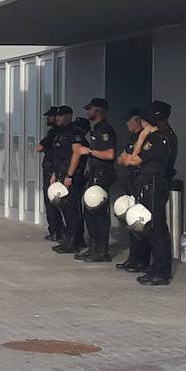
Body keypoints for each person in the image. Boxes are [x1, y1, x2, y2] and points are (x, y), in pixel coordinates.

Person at [119, 106, 176, 285]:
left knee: (155, 229)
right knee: (150, 228)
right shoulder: (158, 137)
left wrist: (143, 137)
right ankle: (154, 266)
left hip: (153, 186)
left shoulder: (157, 139)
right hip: (146, 185)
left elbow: (133, 159)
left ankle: (160, 271)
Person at [73, 98, 117, 263]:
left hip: (102, 174)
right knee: (89, 212)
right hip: (94, 174)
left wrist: (88, 151)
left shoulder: (105, 130)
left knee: (98, 212)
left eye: (90, 109)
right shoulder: (96, 129)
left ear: (98, 110)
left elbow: (109, 154)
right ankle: (93, 247)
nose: (87, 112)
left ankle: (101, 250)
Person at [115, 106, 151, 273]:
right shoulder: (131, 138)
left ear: (138, 121)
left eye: (129, 121)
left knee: (139, 223)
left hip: (141, 184)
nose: (127, 124)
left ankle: (142, 260)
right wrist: (126, 159)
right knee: (130, 221)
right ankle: (133, 258)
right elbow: (121, 158)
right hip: (130, 183)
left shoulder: (145, 139)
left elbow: (133, 160)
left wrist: (128, 159)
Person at [50, 107, 87, 254]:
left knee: (72, 210)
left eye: (61, 116)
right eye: (57, 116)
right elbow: (57, 156)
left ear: (69, 116)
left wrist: (69, 175)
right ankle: (69, 238)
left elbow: (76, 154)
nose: (58, 118)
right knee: (65, 208)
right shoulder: (60, 133)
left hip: (71, 176)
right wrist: (54, 174)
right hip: (60, 174)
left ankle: (75, 240)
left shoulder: (74, 132)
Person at [36, 106, 63, 242]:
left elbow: (39, 148)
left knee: (51, 201)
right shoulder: (57, 133)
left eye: (50, 116)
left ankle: (55, 231)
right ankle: (58, 231)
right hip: (55, 169)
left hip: (52, 170)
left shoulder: (53, 133)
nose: (48, 119)